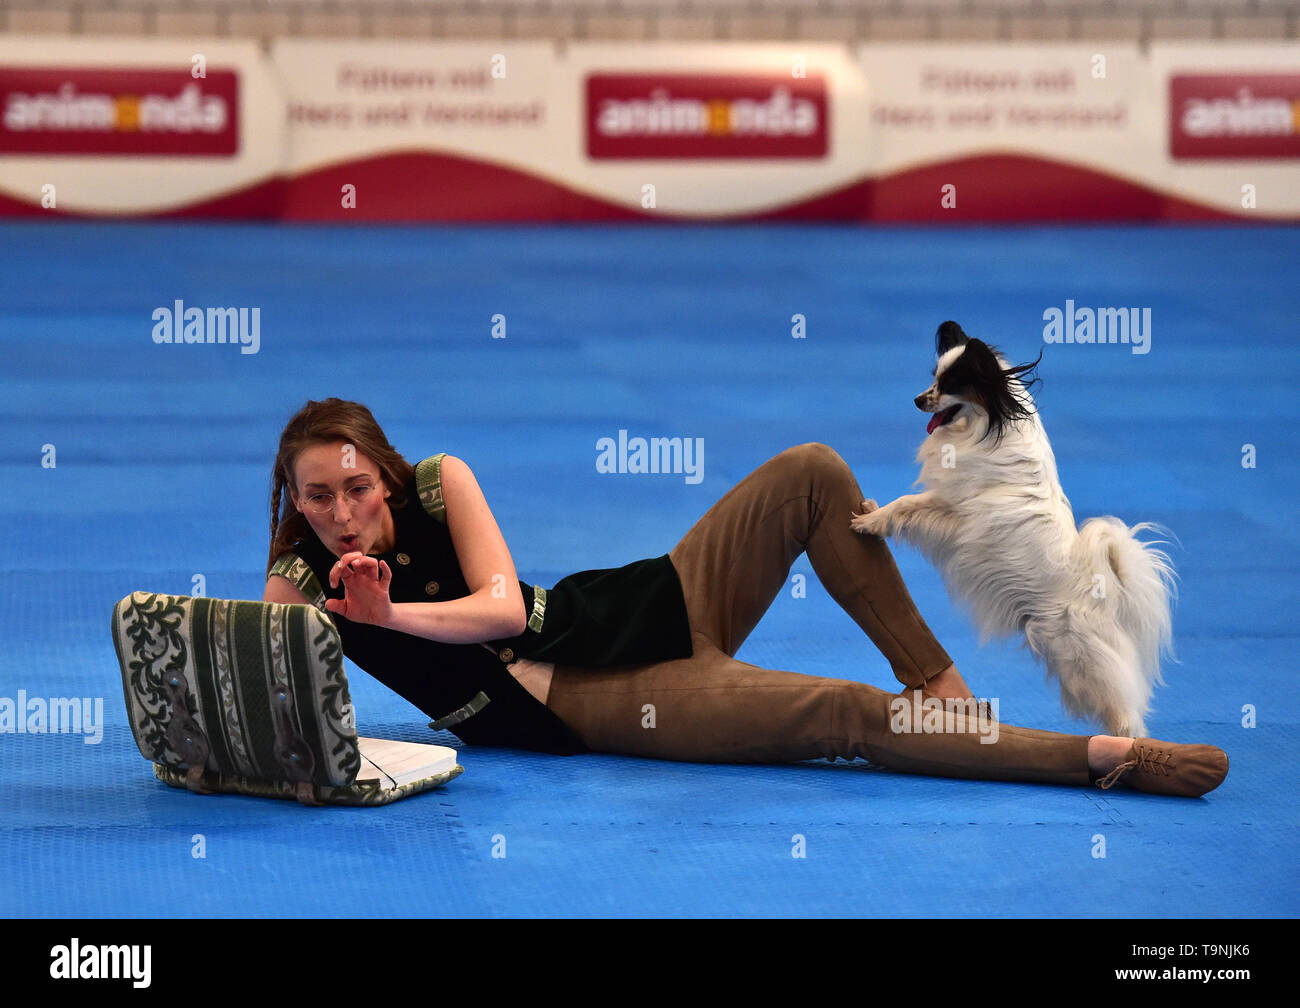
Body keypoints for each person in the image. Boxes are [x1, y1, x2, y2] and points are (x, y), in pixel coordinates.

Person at [263, 398, 1228, 798]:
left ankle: (939, 683)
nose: (343, 513)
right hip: (601, 703)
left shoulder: (439, 482)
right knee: (842, 713)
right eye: (318, 498)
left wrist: (388, 618)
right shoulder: (304, 582)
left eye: (356, 489)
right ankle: (1102, 757)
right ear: (296, 504)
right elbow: (265, 681)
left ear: (383, 478)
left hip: (647, 603)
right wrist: (330, 626)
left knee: (813, 471)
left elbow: (507, 610)